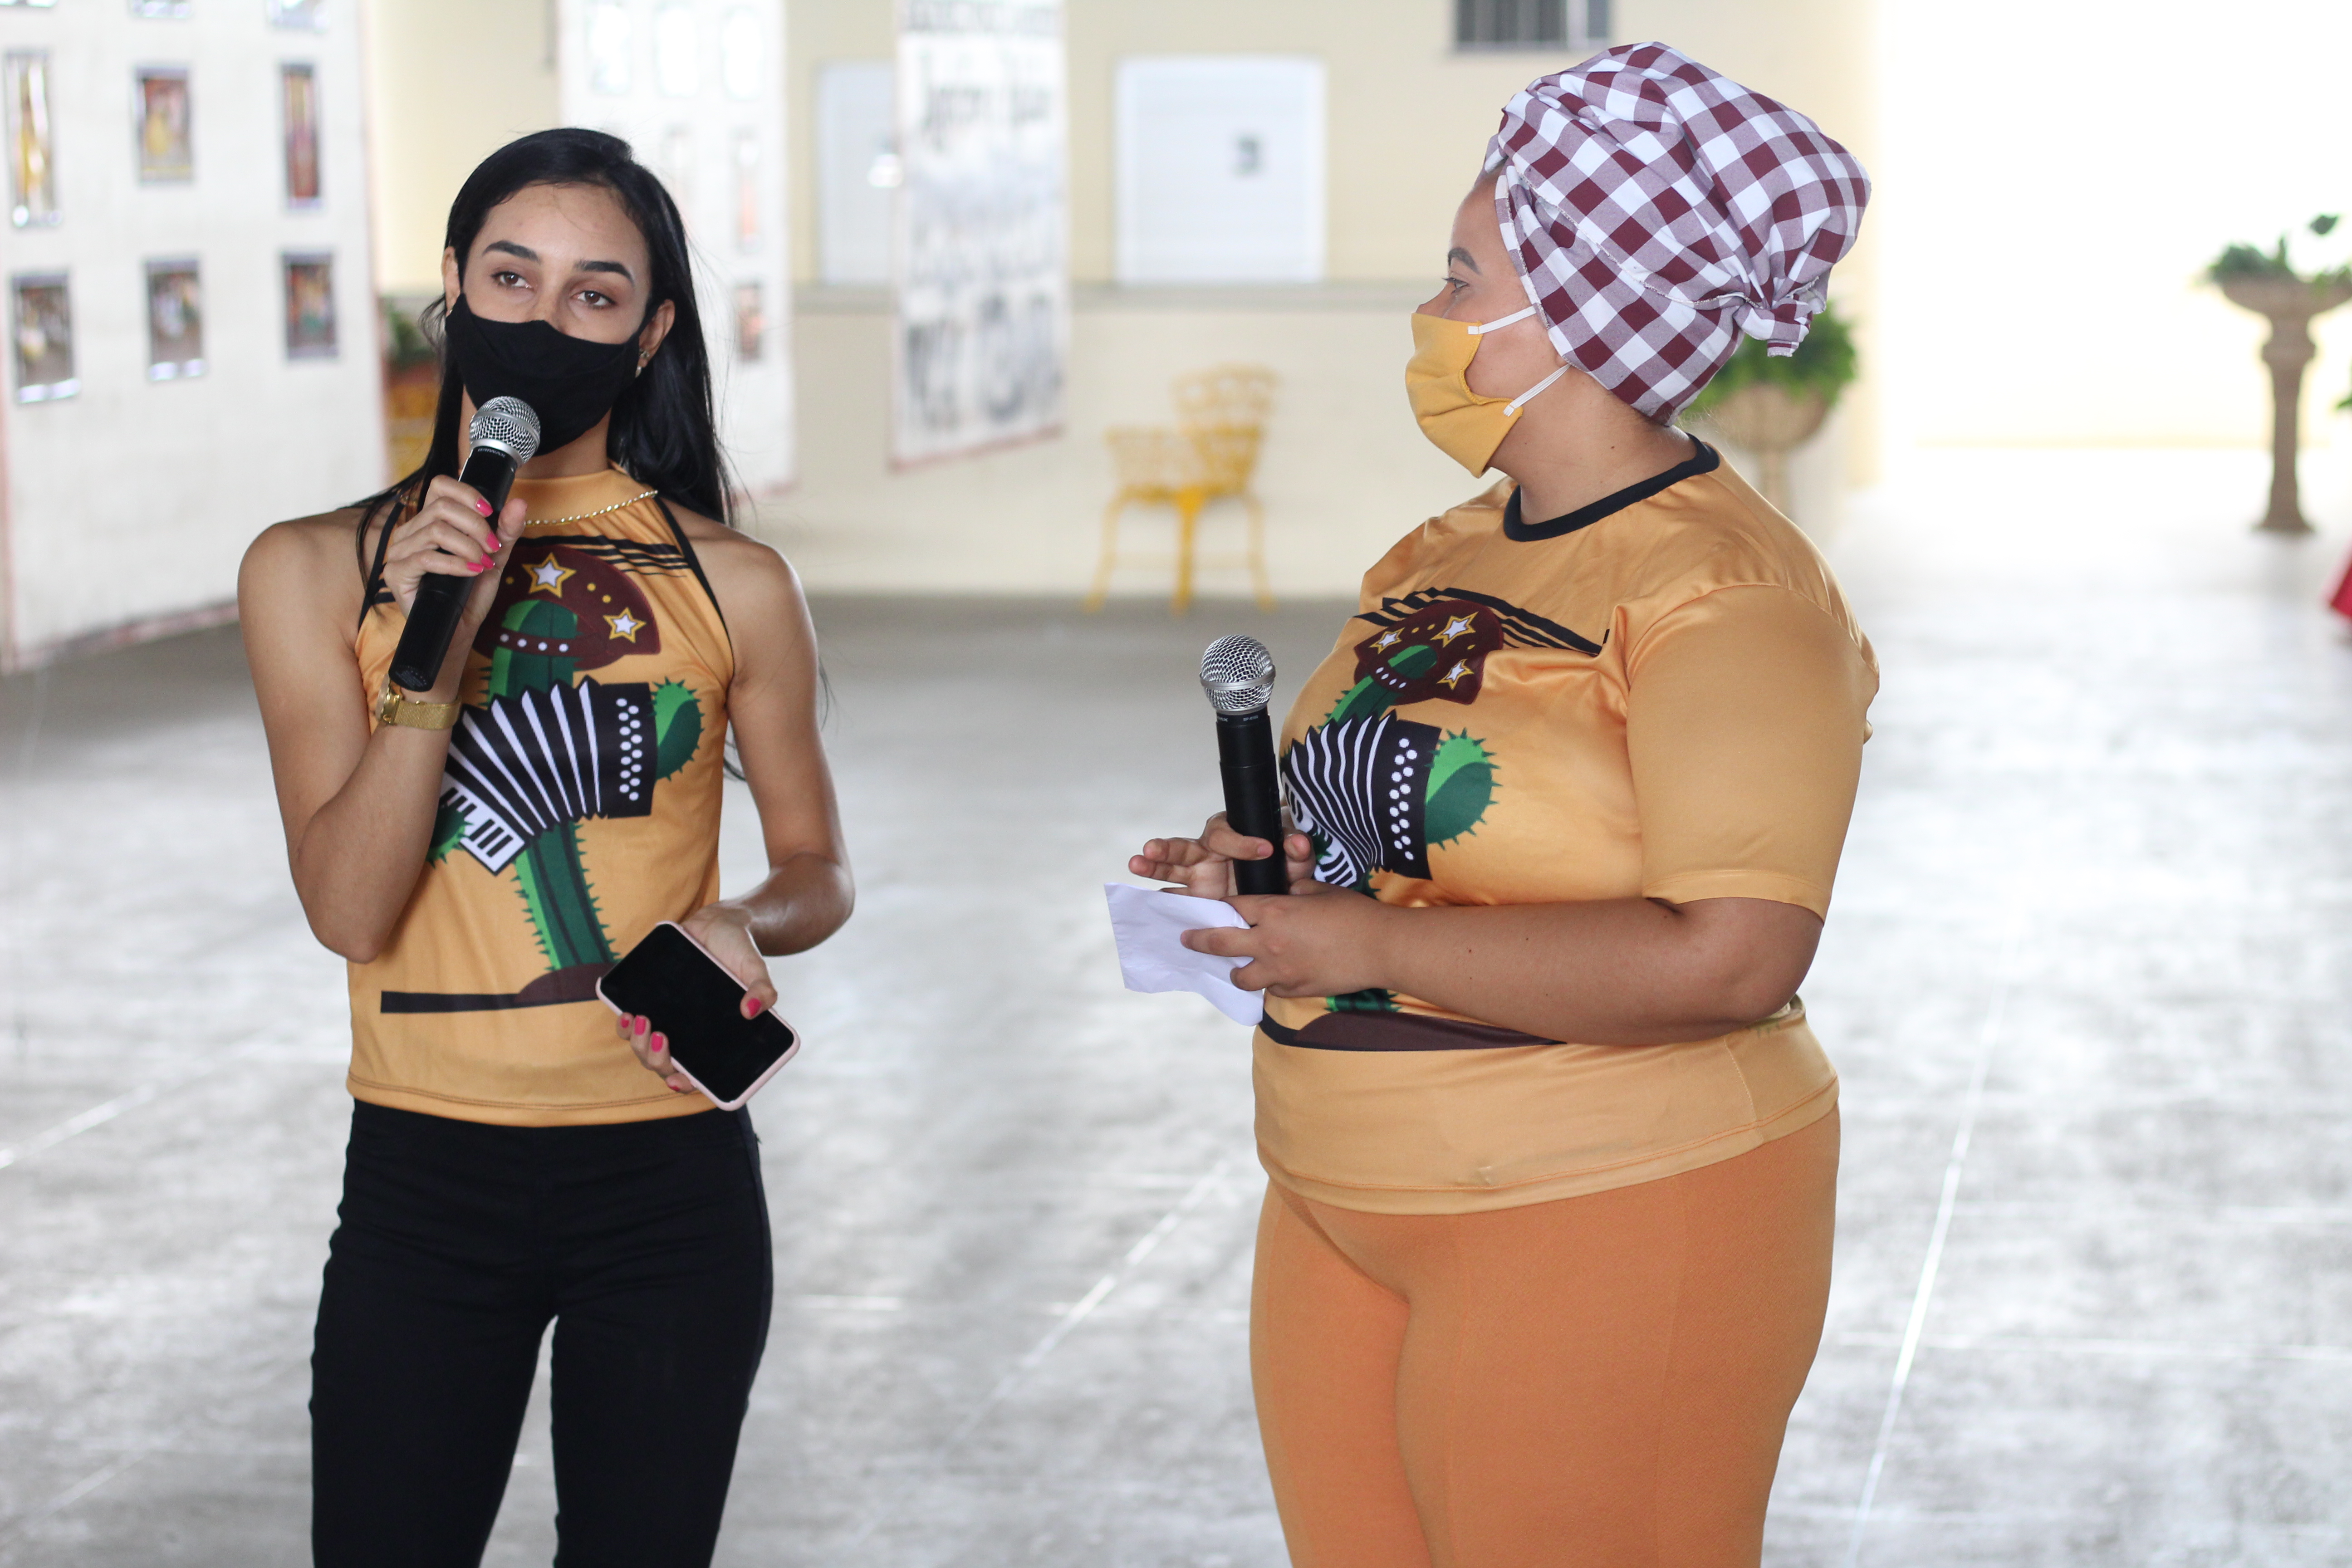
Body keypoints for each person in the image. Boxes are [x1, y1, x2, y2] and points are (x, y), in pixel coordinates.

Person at [1129, 44, 1875, 1568]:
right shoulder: (1448, 549)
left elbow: (1735, 955)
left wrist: (1368, 948)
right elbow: (1396, 832)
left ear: (1586, 312)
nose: (1435, 310)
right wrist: (1277, 872)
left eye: (1466, 278)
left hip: (1608, 1201)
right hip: (1341, 1189)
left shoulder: (1728, 594)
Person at [238, 128, 851, 1568]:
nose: (543, 319)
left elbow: (818, 868)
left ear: (651, 333)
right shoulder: (313, 570)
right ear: (452, 286)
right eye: (512, 277)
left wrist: (748, 921)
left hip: (671, 1183)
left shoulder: (736, 581)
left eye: (594, 294)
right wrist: (434, 648)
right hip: (421, 1184)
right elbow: (350, 909)